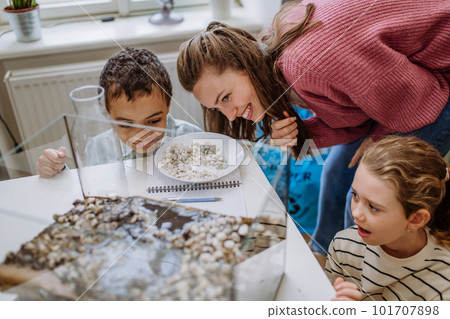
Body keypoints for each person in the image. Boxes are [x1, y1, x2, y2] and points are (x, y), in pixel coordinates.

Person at [176, 0, 450, 256]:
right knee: (334, 172)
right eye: (217, 108)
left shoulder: (305, 63)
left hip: (432, 89)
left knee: (360, 196)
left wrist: (379, 140)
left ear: (243, 64)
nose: (231, 116)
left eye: (226, 97)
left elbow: (421, 98)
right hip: (409, 91)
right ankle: (325, 258)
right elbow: (356, 116)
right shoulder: (273, 56)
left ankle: (357, 277)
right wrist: (304, 132)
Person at [37, 48, 202, 178]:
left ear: (168, 104)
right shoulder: (97, 148)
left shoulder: (193, 136)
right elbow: (93, 186)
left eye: (153, 121)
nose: (141, 135)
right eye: (125, 124)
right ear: (107, 115)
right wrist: (59, 171)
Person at [326, 136, 450, 301]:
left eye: (373, 207)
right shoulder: (342, 246)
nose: (356, 213)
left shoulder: (443, 283)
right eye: (355, 195)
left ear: (416, 219)